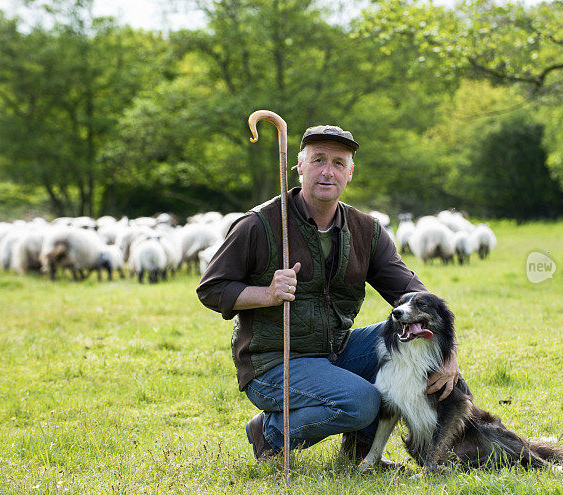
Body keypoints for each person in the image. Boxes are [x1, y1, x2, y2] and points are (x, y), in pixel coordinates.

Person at [196, 124, 459, 466]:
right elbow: (211, 288)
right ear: (300, 167)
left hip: (335, 349)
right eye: (318, 160)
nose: (327, 171)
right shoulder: (258, 224)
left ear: (350, 173)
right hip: (274, 360)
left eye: (338, 163)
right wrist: (267, 293)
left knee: (416, 344)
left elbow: (413, 293)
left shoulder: (367, 231)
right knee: (362, 401)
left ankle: (362, 454)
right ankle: (270, 433)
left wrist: (449, 352)